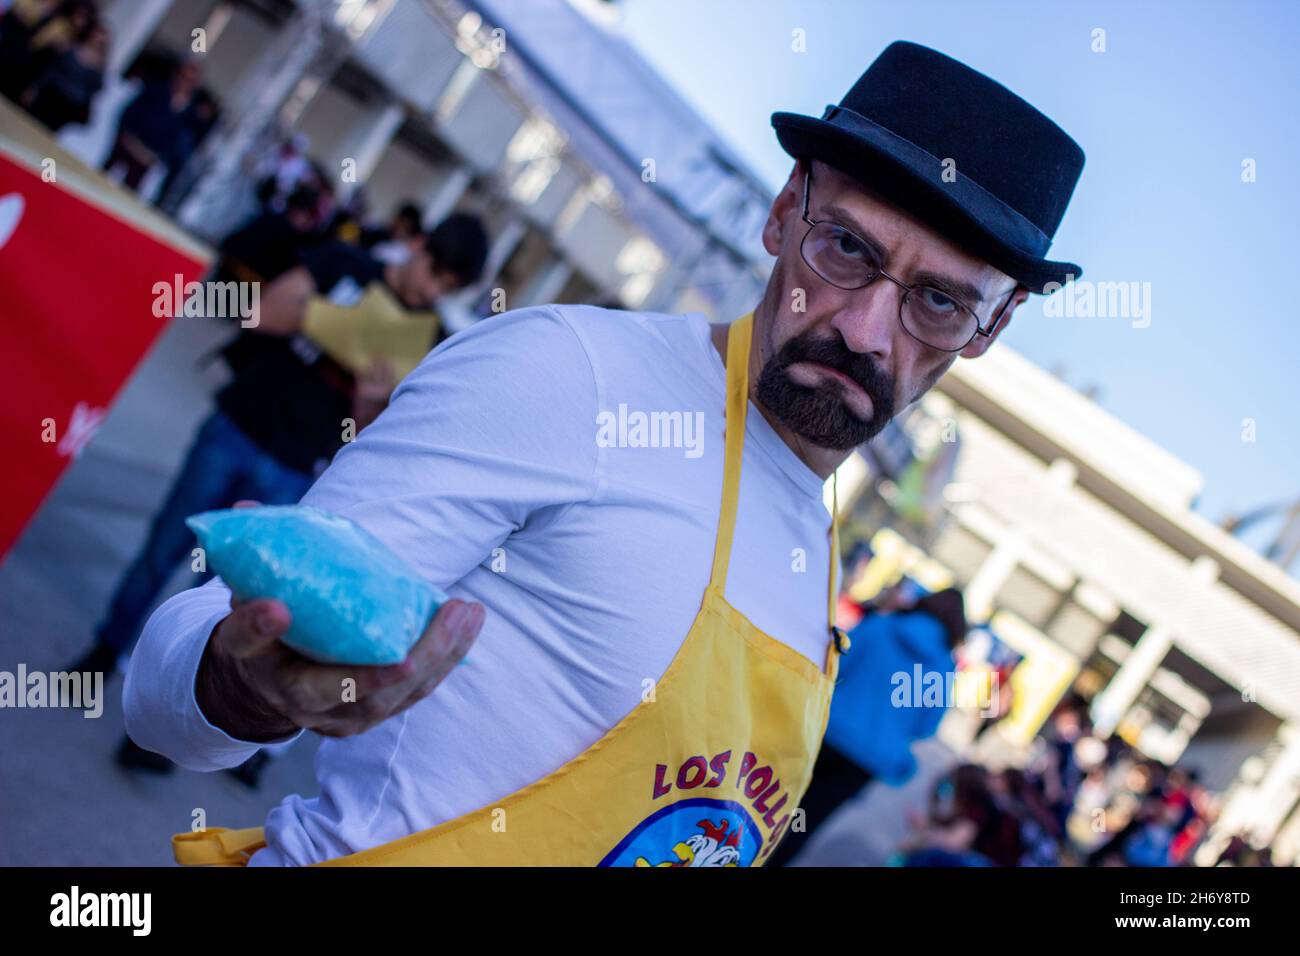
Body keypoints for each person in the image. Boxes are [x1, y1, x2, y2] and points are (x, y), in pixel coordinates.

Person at [127, 41, 1087, 867]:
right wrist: (244, 684)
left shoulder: (818, 544)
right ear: (784, 210)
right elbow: (166, 681)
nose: (870, 332)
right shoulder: (568, 376)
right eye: (845, 247)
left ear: (989, 328)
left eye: (939, 302)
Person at [69, 213, 490, 760]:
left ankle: (169, 715)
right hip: (239, 424)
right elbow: (257, 313)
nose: (432, 289)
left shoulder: (431, 341)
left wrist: (367, 396)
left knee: (226, 589)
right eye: (435, 270)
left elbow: (373, 437)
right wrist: (335, 323)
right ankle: (103, 652)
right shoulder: (346, 265)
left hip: (299, 465)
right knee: (163, 547)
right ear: (418, 245)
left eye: (449, 286)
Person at [767, 587, 967, 866]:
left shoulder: (881, 627)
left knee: (771, 800)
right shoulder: (942, 668)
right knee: (808, 821)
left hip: (826, 732)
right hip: (866, 761)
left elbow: (835, 667)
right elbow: (926, 726)